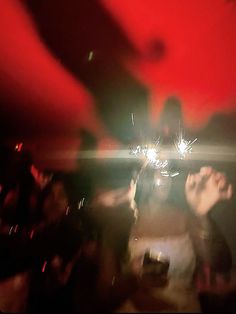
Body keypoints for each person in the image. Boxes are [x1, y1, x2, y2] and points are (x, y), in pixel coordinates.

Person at [116, 166, 232, 312]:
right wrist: (132, 279)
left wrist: (202, 216)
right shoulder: (124, 219)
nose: (165, 176)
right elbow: (105, 286)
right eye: (156, 168)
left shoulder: (186, 217)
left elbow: (221, 263)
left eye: (167, 170)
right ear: (140, 175)